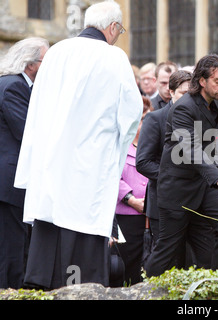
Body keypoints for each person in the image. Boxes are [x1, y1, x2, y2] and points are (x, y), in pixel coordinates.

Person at [14, 1, 143, 290]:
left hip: (52, 159)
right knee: (83, 224)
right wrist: (117, 143)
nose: (118, 36)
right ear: (112, 27)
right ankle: (82, 287)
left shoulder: (57, 51)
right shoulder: (114, 58)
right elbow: (132, 113)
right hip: (90, 161)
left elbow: (37, 107)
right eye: (119, 30)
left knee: (53, 222)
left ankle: (45, 285)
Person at [144, 54, 218, 277]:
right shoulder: (183, 108)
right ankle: (143, 289)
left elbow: (209, 149)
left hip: (203, 187)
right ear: (202, 81)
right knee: (168, 251)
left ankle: (217, 283)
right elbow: (190, 149)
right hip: (177, 191)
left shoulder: (212, 106)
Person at [0, 37, 49, 289]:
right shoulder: (14, 86)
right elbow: (27, 132)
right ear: (31, 64)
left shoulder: (11, 83)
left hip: (9, 180)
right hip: (10, 181)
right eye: (45, 61)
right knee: (12, 246)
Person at [136, 69, 193, 260]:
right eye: (185, 94)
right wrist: (175, 177)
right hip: (162, 203)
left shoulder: (197, 119)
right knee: (165, 260)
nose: (190, 99)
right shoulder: (155, 118)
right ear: (171, 92)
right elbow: (143, 162)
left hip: (192, 204)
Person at [114, 97, 152, 286]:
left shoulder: (155, 147)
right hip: (126, 214)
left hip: (150, 215)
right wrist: (131, 199)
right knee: (126, 265)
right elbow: (114, 177)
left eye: (147, 118)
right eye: (141, 118)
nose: (144, 123)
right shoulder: (119, 146)